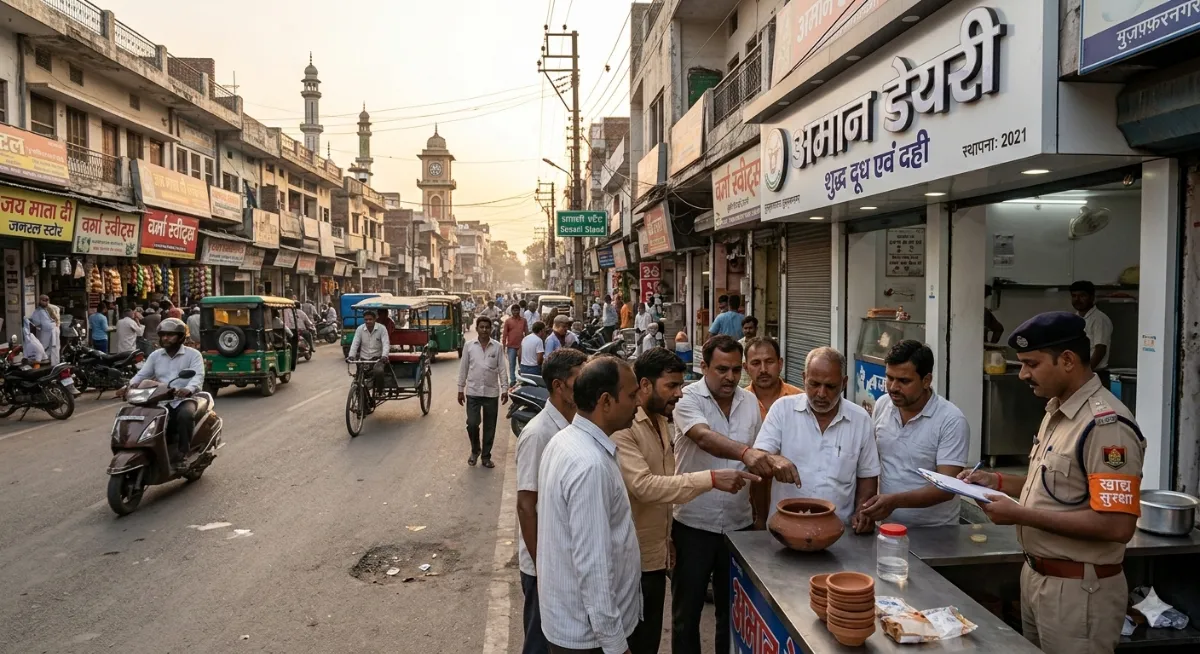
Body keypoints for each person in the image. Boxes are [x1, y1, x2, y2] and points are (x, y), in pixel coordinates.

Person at [960, 312, 1144, 654]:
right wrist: (995, 480)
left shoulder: (1106, 426)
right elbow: (1053, 487)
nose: (1023, 374)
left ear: (1068, 360)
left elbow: (1117, 525)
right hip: (1037, 579)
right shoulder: (1057, 411)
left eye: (1032, 364)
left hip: (1078, 592)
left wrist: (1019, 515)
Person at [612, 349, 759, 654]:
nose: (678, 393)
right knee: (672, 623)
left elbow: (666, 479)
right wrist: (712, 478)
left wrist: (667, 537)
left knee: (729, 616)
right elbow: (644, 486)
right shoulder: (627, 426)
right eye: (671, 386)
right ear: (645, 385)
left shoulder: (659, 420)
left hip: (718, 530)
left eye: (736, 369)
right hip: (645, 549)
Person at [670, 335, 786, 654]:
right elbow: (704, 438)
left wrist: (760, 517)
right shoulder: (687, 398)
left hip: (738, 525)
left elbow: (758, 461)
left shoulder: (749, 402)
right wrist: (746, 453)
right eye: (722, 369)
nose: (730, 377)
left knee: (732, 614)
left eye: (736, 370)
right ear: (704, 366)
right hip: (693, 523)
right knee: (685, 615)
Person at [537, 356, 642, 654]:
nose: (638, 403)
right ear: (606, 401)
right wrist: (615, 645)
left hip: (572, 623)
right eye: (632, 395)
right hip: (589, 638)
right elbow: (593, 566)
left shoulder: (566, 441)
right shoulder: (589, 465)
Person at [751, 347, 880, 535]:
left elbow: (867, 476)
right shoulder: (782, 410)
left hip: (839, 533)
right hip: (784, 530)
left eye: (830, 386)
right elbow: (758, 457)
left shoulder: (860, 420)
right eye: (814, 384)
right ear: (804, 378)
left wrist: (862, 511)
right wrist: (773, 459)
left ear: (844, 383)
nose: (821, 393)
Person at [515, 349, 588, 654]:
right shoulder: (538, 433)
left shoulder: (576, 424)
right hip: (543, 566)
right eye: (579, 380)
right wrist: (542, 566)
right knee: (539, 642)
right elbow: (526, 505)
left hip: (565, 561)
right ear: (559, 386)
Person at [858, 340, 970, 527]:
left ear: (926, 380)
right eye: (889, 378)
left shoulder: (951, 420)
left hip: (935, 533)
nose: (893, 387)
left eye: (904, 381)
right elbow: (871, 463)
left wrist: (894, 502)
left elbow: (947, 488)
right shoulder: (883, 405)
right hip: (887, 528)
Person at [121, 318, 204, 473]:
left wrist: (188, 389)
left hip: (184, 399)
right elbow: (142, 374)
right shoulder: (155, 355)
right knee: (141, 415)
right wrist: (127, 386)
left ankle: (183, 454)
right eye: (163, 335)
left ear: (181, 337)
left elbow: (198, 376)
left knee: (185, 415)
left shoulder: (193, 355)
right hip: (160, 399)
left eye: (170, 335)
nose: (165, 338)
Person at [457, 316, 509, 468]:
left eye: (487, 327)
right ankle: (475, 450)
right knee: (472, 423)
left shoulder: (497, 347)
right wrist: (460, 389)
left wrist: (505, 389)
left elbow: (502, 369)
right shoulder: (469, 346)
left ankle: (486, 456)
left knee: (490, 427)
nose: (484, 330)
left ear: (491, 329)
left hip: (491, 393)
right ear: (477, 328)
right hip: (473, 392)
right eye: (482, 327)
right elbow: (463, 368)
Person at [1070, 280, 1114, 388]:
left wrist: (1085, 373)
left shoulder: (1099, 319)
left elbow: (1100, 349)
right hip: (1078, 373)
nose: (1077, 299)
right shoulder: (1074, 319)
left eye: (1082, 296)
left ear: (1092, 297)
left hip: (1095, 374)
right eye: (1074, 296)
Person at [347, 309, 390, 392]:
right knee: (359, 377)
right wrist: (351, 356)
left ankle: (380, 391)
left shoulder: (382, 328)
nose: (368, 321)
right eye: (366, 320)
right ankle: (359, 394)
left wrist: (384, 356)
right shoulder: (360, 329)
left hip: (377, 359)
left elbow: (386, 343)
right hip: (364, 359)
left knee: (379, 372)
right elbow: (355, 343)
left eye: (370, 319)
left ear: (375, 319)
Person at [29, 295, 61, 365]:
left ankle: (54, 365)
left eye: (47, 300)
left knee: (54, 349)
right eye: (43, 300)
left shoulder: (47, 309)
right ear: (40, 301)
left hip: (52, 332)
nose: (45, 302)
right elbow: (38, 323)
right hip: (44, 333)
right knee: (41, 349)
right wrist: (52, 324)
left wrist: (54, 323)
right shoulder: (37, 311)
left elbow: (53, 318)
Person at [503, 304, 528, 382]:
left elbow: (526, 333)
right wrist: (503, 347)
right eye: (514, 310)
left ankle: (522, 380)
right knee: (512, 364)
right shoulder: (508, 321)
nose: (515, 312)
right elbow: (504, 335)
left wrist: (527, 345)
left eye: (517, 310)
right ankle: (512, 381)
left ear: (519, 311)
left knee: (522, 365)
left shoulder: (523, 320)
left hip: (521, 346)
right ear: (511, 311)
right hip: (511, 346)